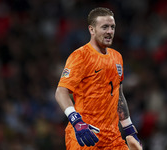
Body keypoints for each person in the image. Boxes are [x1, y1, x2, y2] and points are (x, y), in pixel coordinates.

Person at [55, 7, 142, 150]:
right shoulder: (80, 56)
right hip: (85, 134)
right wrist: (76, 122)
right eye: (105, 27)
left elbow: (118, 95)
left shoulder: (117, 57)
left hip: (112, 138)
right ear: (92, 30)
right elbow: (61, 92)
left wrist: (129, 129)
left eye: (112, 27)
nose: (110, 31)